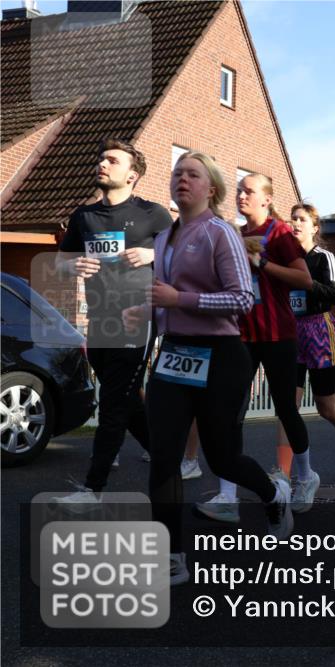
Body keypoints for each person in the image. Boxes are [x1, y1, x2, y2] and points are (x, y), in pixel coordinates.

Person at [124, 151, 292, 585]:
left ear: (210, 188)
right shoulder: (164, 238)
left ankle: (273, 493)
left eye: (192, 174)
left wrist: (181, 301)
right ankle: (171, 557)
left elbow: (242, 300)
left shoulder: (221, 233)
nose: (182, 178)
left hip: (221, 356)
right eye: (177, 172)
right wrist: (147, 313)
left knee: (223, 459)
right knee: (164, 457)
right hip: (174, 355)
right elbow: (164, 298)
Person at [53, 139, 172, 507]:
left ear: (132, 175)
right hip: (100, 318)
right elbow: (60, 262)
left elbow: (180, 257)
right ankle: (167, 455)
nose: (102, 163)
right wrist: (71, 266)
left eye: (112, 160)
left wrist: (152, 253)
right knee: (124, 399)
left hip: (138, 317)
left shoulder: (154, 215)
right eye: (102, 158)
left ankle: (93, 488)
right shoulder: (83, 217)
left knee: (113, 401)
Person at [195, 173, 313, 524]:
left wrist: (261, 263)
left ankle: (306, 476)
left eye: (249, 191)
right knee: (231, 413)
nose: (242, 196)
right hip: (240, 336)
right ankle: (228, 495)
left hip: (278, 334)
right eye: (240, 191)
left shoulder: (278, 233)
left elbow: (304, 280)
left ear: (266, 198)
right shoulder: (231, 234)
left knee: (286, 411)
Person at [275, 203, 335, 498]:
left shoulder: (324, 257)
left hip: (318, 330)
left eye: (302, 219)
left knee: (326, 407)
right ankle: (285, 476)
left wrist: (304, 282)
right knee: (288, 406)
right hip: (290, 332)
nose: (296, 223)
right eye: (293, 219)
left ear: (315, 227)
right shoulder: (285, 257)